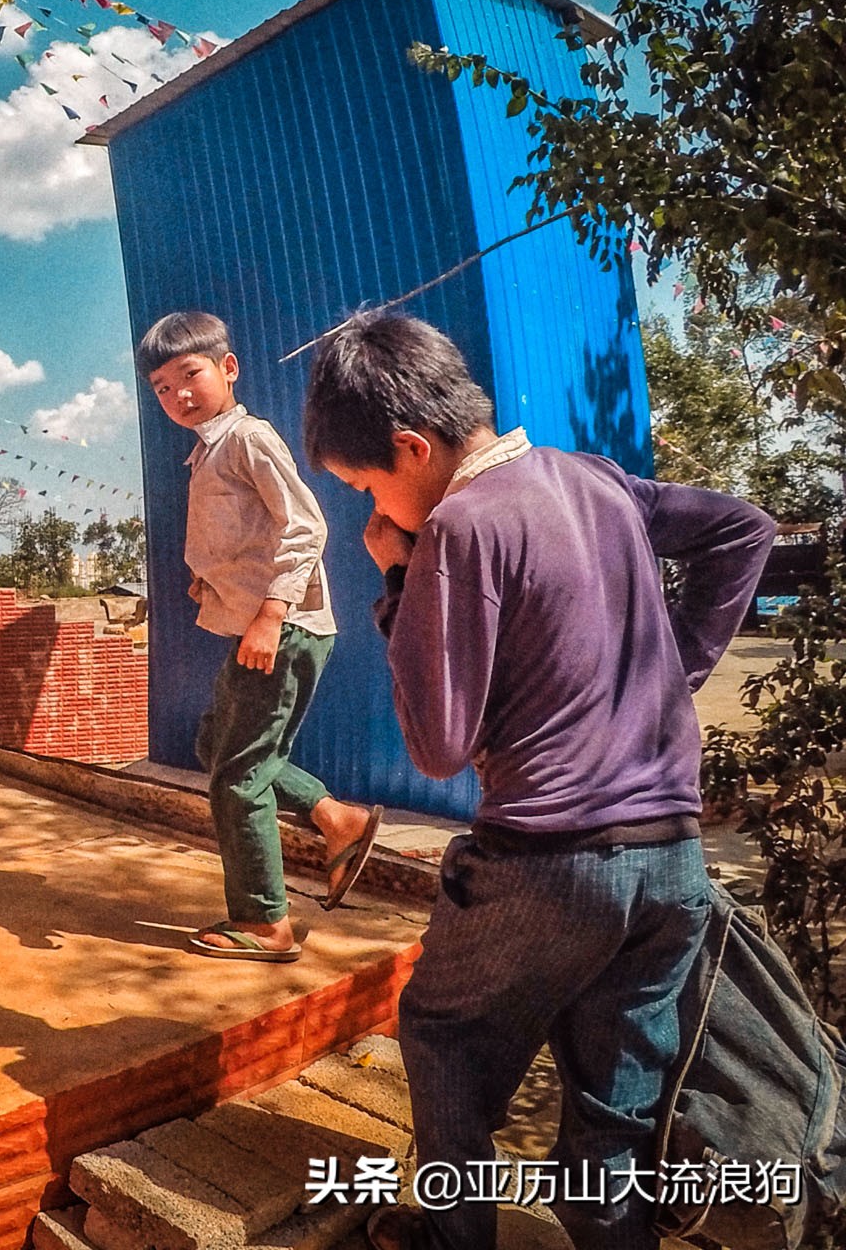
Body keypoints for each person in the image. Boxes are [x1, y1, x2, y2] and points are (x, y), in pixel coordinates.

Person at [300, 312, 775, 1250]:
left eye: (366, 487)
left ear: (411, 446)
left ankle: (452, 1235)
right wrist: (670, 670)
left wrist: (397, 580)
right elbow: (743, 530)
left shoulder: (458, 530)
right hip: (672, 866)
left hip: (548, 867)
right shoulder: (594, 478)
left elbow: (437, 745)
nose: (371, 513)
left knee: (444, 1035)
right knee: (615, 1105)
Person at [136, 311, 382, 962]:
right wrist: (213, 586)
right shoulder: (209, 450)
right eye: (161, 387)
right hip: (259, 626)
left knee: (237, 776)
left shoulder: (248, 437)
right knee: (217, 743)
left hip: (286, 629)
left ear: (227, 368)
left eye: (189, 374)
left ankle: (264, 922)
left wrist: (271, 612)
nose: (177, 394)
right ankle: (337, 819)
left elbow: (306, 527)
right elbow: (244, 543)